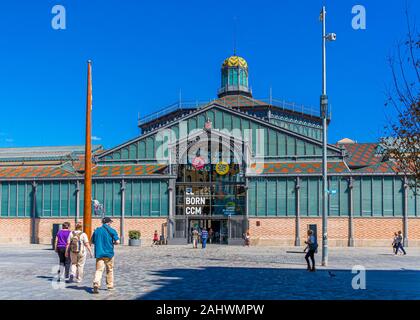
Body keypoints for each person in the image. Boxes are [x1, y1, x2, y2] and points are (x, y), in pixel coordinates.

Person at [91, 217, 120, 294]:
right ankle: (110, 286)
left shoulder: (96, 230)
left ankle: (96, 283)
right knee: (109, 270)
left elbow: (93, 241)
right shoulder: (112, 230)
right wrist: (112, 243)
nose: (111, 223)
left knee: (99, 270)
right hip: (109, 254)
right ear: (109, 223)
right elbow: (117, 241)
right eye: (110, 222)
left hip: (99, 254)